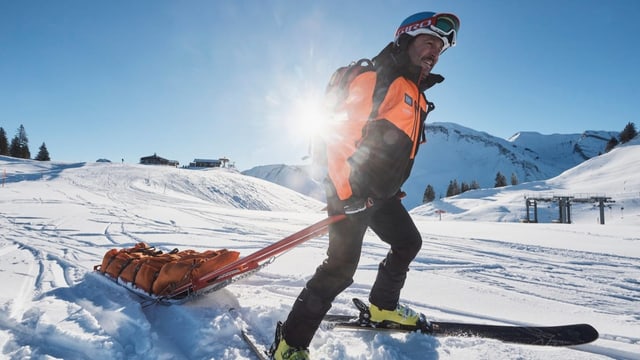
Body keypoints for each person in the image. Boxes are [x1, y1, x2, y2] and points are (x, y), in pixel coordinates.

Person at [271, 11, 460, 360]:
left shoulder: (415, 92)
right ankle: (289, 346)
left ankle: (383, 307)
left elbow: (394, 150)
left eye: (440, 47)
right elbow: (339, 139)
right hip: (351, 192)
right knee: (340, 268)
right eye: (428, 42)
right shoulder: (377, 77)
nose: (434, 51)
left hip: (377, 195)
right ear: (406, 39)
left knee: (407, 242)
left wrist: (389, 187)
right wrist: (350, 194)